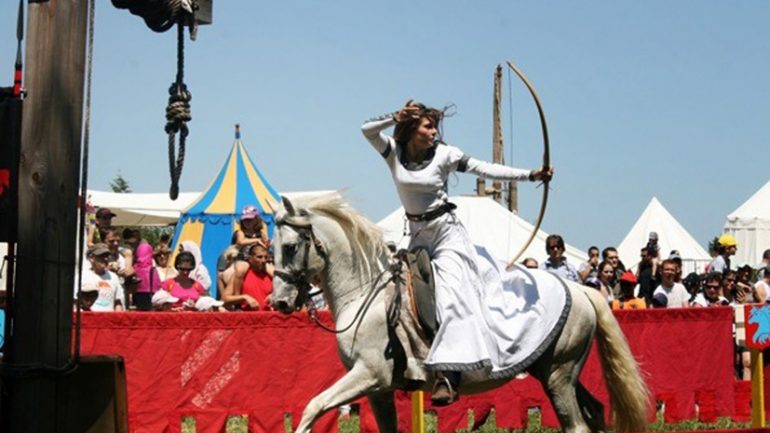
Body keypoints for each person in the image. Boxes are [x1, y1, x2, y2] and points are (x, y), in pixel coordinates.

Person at [361, 100, 552, 406]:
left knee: (450, 298)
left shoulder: (445, 155)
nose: (434, 131)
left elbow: (485, 168)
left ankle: (449, 376)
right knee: (401, 299)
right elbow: (366, 130)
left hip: (447, 235)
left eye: (435, 126)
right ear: (411, 129)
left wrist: (531, 175)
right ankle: (408, 363)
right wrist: (394, 116)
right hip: (417, 238)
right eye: (428, 125)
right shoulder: (393, 153)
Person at [222, 243, 273, 311]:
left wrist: (274, 296)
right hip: (247, 319)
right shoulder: (241, 274)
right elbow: (224, 299)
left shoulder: (270, 275)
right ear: (250, 259)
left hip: (268, 319)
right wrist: (244, 297)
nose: (263, 260)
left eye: (265, 257)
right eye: (259, 257)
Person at [79, 243, 125, 312]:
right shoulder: (82, 276)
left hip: (109, 320)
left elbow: (118, 302)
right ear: (92, 258)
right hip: (90, 319)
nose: (105, 259)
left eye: (107, 256)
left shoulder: (114, 277)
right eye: (101, 256)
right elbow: (75, 301)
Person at [133, 242, 162, 311]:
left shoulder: (133, 268)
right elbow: (158, 286)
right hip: (150, 297)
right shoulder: (152, 269)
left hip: (137, 298)